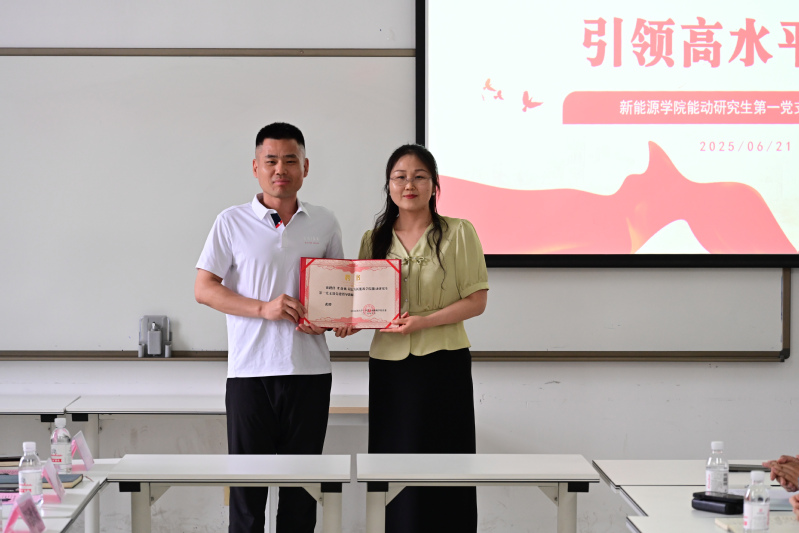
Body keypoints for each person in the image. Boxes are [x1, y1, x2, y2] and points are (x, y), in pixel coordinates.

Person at [194, 122, 344, 533]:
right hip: (250, 375)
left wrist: (338, 321)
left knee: (301, 499)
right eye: (271, 160)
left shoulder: (325, 222)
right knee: (247, 498)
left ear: (305, 167)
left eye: (290, 160)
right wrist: (263, 308)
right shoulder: (231, 221)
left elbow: (337, 293)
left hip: (310, 375)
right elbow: (204, 288)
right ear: (256, 167)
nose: (281, 169)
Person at [348, 144, 489, 533]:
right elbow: (366, 306)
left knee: (447, 461)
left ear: (434, 185)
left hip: (443, 364)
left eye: (419, 176)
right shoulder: (373, 239)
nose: (409, 184)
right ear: (389, 185)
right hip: (390, 369)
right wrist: (346, 322)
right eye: (400, 177)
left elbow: (476, 301)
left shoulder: (459, 233)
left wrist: (423, 323)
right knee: (393, 463)